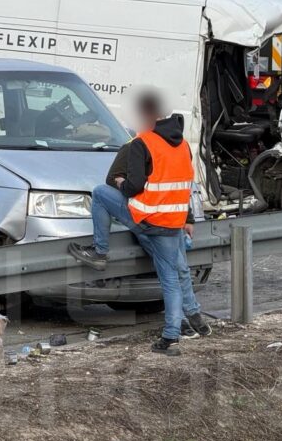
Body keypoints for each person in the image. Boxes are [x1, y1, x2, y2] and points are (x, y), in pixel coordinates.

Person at [68, 90, 210, 356]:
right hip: (173, 221)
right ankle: (196, 321)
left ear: (145, 116)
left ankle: (171, 336)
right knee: (179, 269)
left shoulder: (140, 144)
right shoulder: (183, 145)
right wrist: (188, 218)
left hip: (149, 220)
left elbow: (128, 186)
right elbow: (184, 184)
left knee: (100, 193)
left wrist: (121, 183)